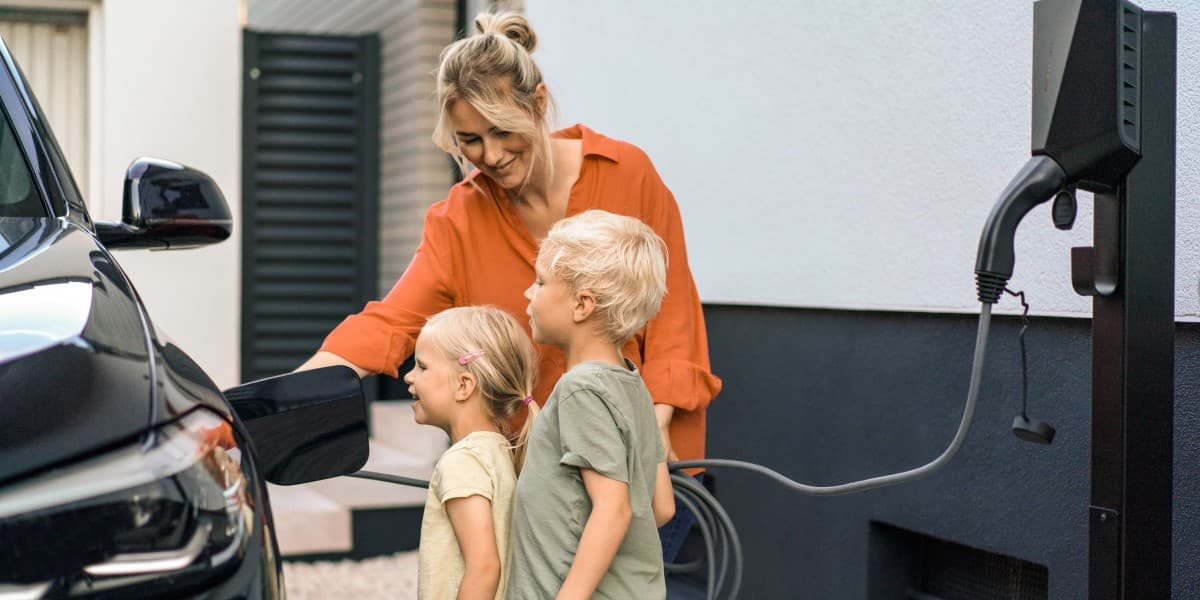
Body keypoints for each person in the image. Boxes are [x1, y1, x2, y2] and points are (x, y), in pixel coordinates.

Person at [296, 10, 721, 559]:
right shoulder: (459, 219)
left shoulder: (626, 173)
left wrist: (652, 436)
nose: (490, 156)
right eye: (469, 139)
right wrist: (283, 399)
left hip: (648, 471)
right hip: (544, 483)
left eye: (502, 131)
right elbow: (389, 323)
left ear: (539, 104)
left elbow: (673, 316)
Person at [511, 209, 675, 599]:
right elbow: (663, 506)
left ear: (582, 305)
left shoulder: (580, 389)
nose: (528, 293)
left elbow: (613, 508)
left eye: (540, 282)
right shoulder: (633, 383)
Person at [403, 305, 537, 600]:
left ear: (464, 385)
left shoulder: (462, 461)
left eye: (422, 366)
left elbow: (485, 568)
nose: (408, 377)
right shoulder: (499, 450)